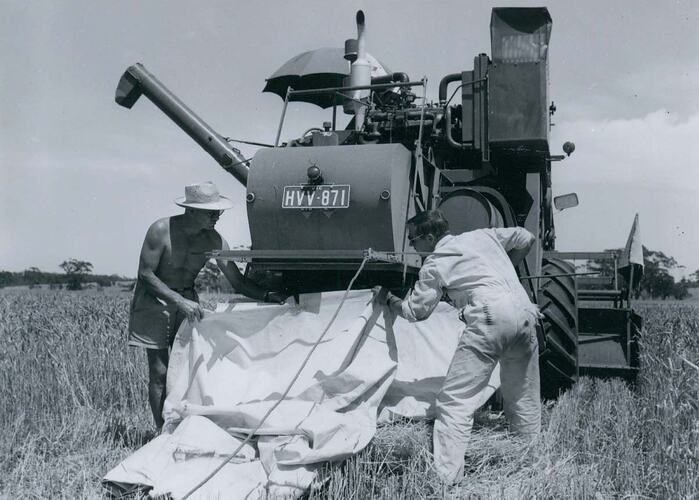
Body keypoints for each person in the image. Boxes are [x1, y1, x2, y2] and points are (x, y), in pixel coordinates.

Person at [373, 209, 541, 483]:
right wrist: (507, 270)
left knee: (455, 401)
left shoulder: (436, 262)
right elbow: (526, 237)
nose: (413, 247)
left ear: (429, 237)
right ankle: (530, 460)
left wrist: (389, 299)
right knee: (523, 391)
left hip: (490, 317)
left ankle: (446, 478)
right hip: (525, 311)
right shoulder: (482, 235)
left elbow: (416, 312)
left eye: (414, 240)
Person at [128, 181, 285, 430]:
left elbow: (238, 281)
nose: (217, 217)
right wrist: (179, 301)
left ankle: (183, 427)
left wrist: (269, 296)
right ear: (191, 210)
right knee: (159, 372)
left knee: (187, 372)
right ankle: (161, 434)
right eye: (211, 212)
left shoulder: (214, 240)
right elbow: (146, 275)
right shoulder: (160, 230)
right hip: (153, 303)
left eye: (219, 212)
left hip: (188, 304)